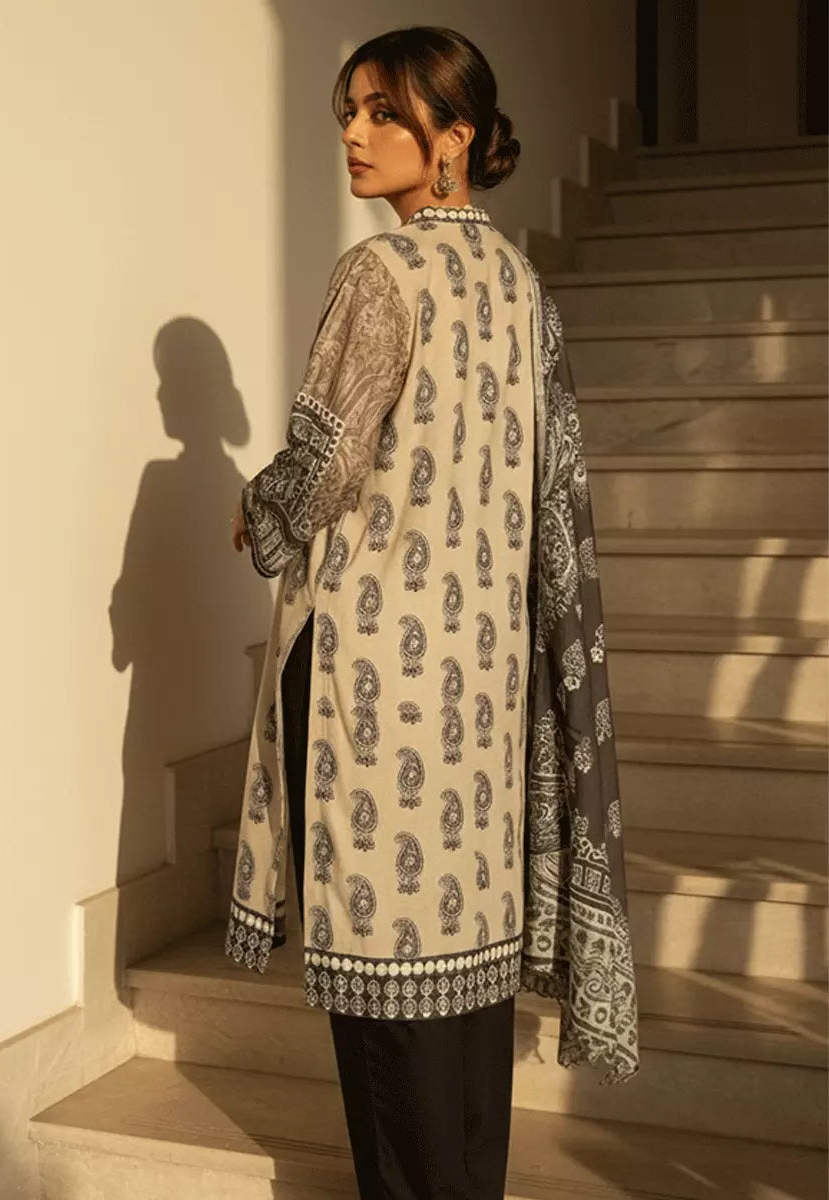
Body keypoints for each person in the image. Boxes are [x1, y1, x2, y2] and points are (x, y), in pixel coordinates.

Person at [227, 25, 640, 1200]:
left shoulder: (382, 274)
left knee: (384, 1000)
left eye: (382, 113)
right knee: (462, 991)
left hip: (369, 688)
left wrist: (255, 512)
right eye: (348, 113)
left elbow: (320, 467)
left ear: (453, 137)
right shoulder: (520, 284)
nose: (354, 136)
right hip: (477, 696)